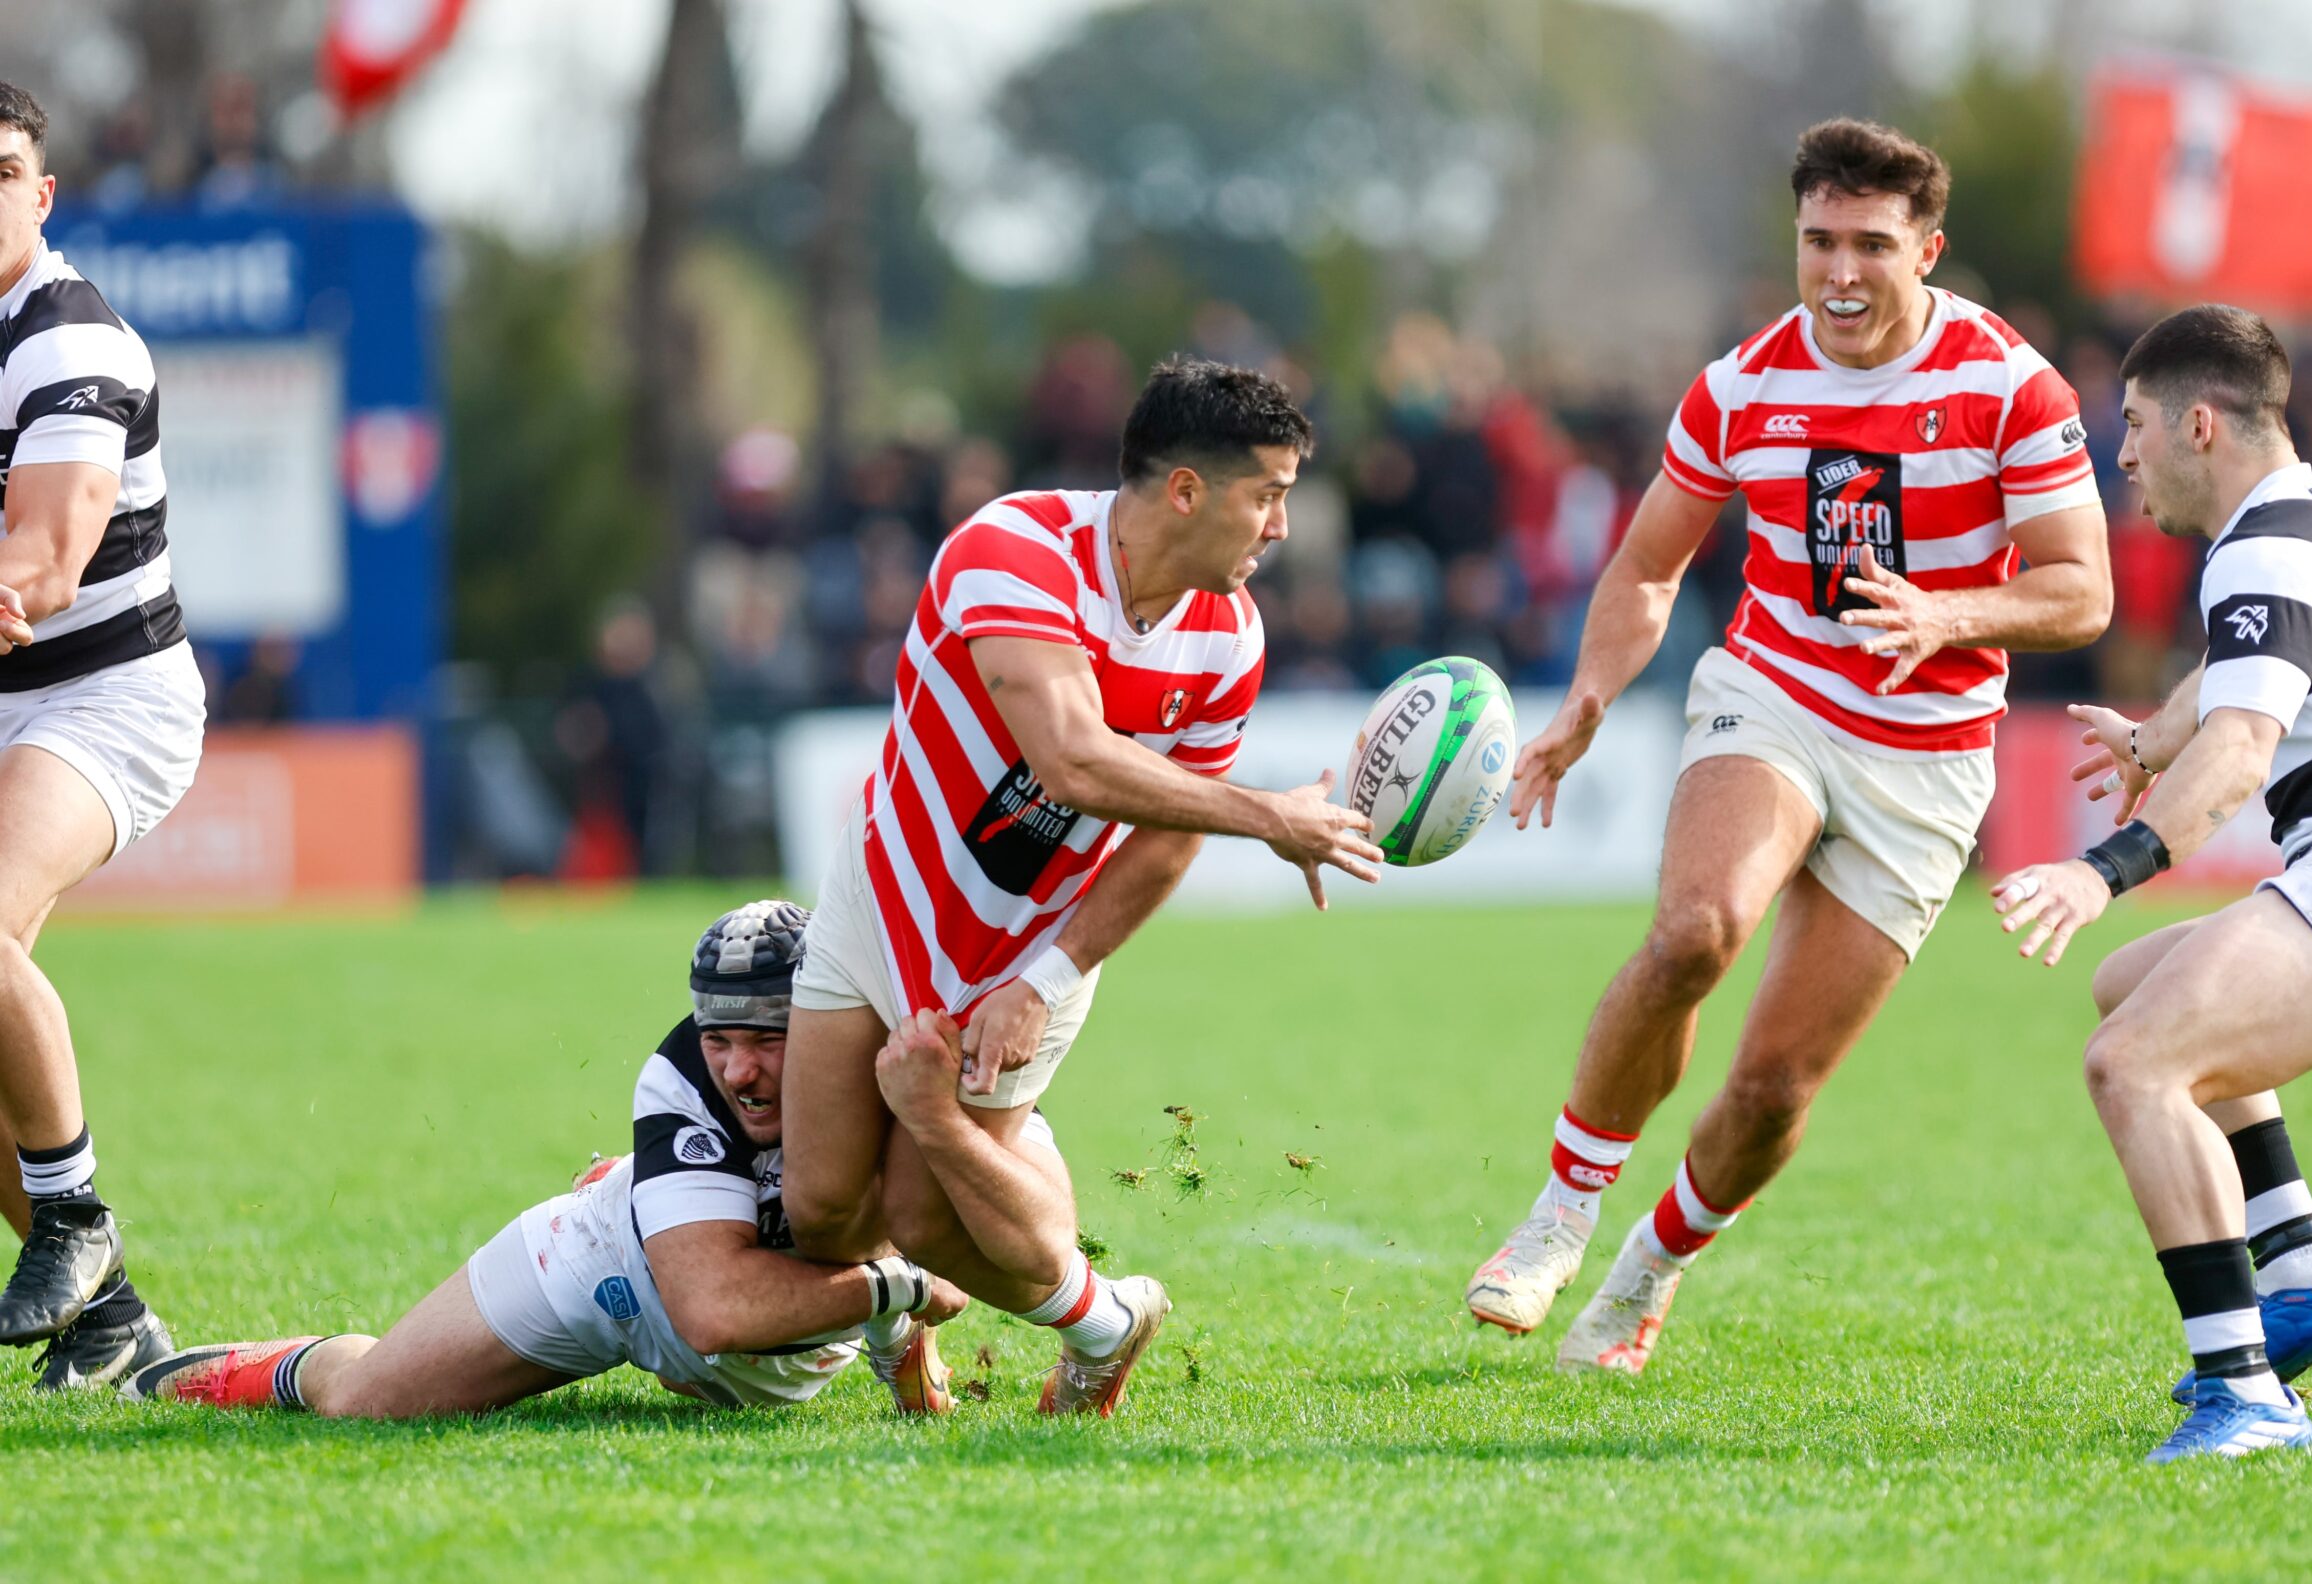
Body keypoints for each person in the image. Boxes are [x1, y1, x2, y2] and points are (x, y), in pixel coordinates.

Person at [1465, 118, 2112, 1373]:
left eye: (1873, 244)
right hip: (1775, 693)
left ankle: (1646, 1272)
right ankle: (1557, 1217)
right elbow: (1649, 564)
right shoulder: (1745, 381)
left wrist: (1952, 613)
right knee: (1695, 931)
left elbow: (2079, 590)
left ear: (1927, 250)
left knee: (1772, 1092)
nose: (1841, 273)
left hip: (1928, 753)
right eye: (1819, 241)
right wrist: (1588, 701)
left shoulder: (2010, 386)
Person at [782, 358, 1381, 1416]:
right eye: (1268, 494)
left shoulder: (1227, 636)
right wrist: (1269, 816)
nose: (1281, 527)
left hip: (1028, 948)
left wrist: (1045, 978)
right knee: (824, 1206)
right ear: (1187, 490)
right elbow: (1071, 760)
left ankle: (1106, 1327)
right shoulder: (1013, 551)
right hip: (885, 901)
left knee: (926, 1219)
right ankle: (901, 1323)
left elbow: (1161, 843)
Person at [1992, 305, 2312, 1463]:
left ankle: (2245, 1393)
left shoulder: (2267, 542)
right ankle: (2303, 1270)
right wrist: (2146, 740)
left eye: (2130, 427)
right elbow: (2230, 688)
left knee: (2133, 1066)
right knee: (2133, 992)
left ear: (2201, 424)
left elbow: (2238, 750)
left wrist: (2097, 871)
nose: (2116, 453)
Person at [125, 901, 974, 1417]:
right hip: (620, 1270)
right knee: (364, 1406)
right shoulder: (680, 1075)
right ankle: (264, 1368)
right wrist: (897, 1285)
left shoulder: (886, 1058)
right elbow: (713, 1313)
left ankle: (885, 1333)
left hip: (776, 1337)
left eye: (766, 1040)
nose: (738, 1070)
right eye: (720, 1039)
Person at [0, 81, 206, 1391]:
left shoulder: (70, 340)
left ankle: (72, 1219)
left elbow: (41, 564)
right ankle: (113, 1315)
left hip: (105, 701)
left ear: (42, 191)